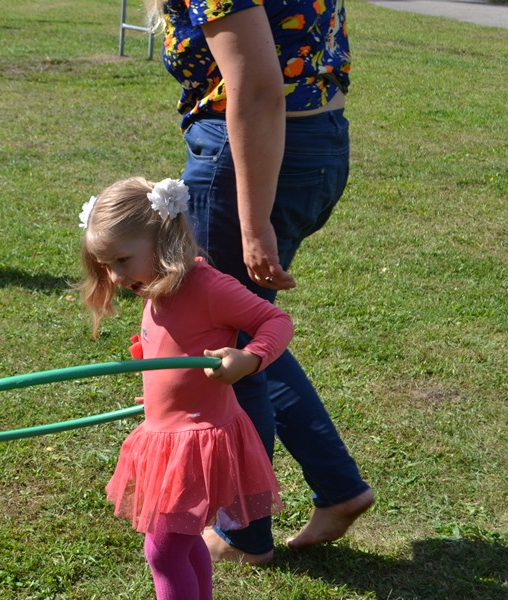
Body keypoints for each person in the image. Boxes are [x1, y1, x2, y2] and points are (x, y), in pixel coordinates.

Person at [145, 0, 374, 564]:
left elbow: (255, 87)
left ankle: (242, 529)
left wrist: (253, 223)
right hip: (313, 142)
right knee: (243, 338)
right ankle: (339, 487)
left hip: (252, 156)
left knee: (219, 343)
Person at [80, 177, 294, 600]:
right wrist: (159, 390)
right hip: (169, 431)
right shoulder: (157, 283)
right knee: (183, 536)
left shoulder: (208, 285)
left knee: (163, 547)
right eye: (105, 263)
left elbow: (276, 323)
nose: (114, 274)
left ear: (162, 237)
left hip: (195, 440)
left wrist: (249, 358)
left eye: (121, 260)